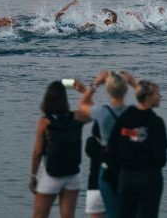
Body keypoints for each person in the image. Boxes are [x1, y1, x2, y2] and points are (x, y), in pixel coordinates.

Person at [80, 70, 139, 218]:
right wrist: (133, 83)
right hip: (127, 167)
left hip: (108, 166)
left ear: (108, 91)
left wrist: (96, 83)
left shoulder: (102, 112)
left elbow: (83, 104)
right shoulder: (133, 113)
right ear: (126, 90)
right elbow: (146, 103)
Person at [30, 80, 91, 218]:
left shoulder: (44, 122)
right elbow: (95, 112)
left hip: (51, 174)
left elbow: (38, 152)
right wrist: (84, 91)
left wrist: (33, 176)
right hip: (72, 174)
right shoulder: (77, 117)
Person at [107, 81, 167, 218]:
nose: (160, 96)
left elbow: (112, 146)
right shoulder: (155, 122)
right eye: (157, 93)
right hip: (149, 176)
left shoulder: (125, 118)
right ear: (148, 97)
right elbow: (161, 154)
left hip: (126, 176)